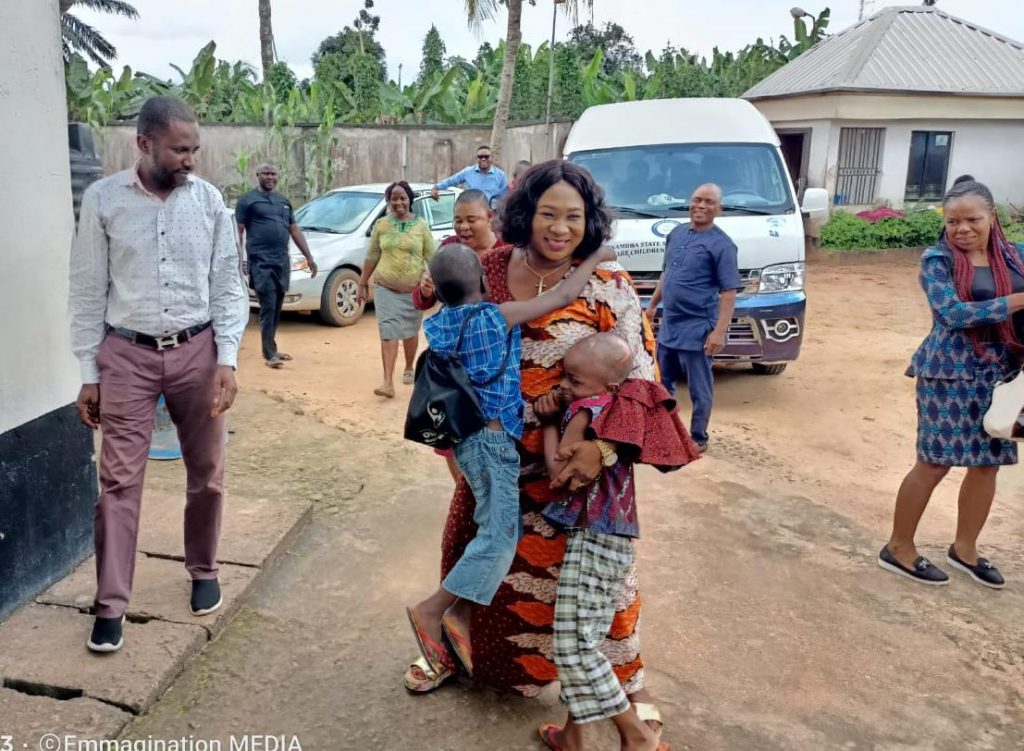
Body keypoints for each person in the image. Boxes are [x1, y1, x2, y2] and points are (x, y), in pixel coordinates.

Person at [403, 160, 668, 744]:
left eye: (574, 217)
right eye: (548, 213)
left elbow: (646, 383)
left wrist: (602, 448)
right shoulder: (490, 270)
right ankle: (457, 656)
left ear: (590, 222)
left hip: (577, 475)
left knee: (594, 598)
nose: (560, 228)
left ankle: (625, 686)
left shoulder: (610, 284)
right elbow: (447, 354)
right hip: (494, 458)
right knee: (484, 564)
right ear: (526, 213)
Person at [69, 95, 248, 653]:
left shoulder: (209, 201)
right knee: (118, 482)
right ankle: (111, 605)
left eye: (193, 149)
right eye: (178, 150)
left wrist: (228, 358)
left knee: (207, 470)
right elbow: (86, 289)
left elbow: (227, 283)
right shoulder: (103, 201)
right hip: (125, 353)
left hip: (197, 350)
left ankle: (203, 568)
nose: (189, 160)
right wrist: (88, 370)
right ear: (143, 144)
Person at [406, 242, 616, 679]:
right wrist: (594, 258)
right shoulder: (493, 316)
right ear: (483, 283)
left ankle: (460, 614)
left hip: (467, 440)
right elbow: (559, 297)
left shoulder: (440, 324)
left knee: (496, 527)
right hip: (493, 443)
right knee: (500, 538)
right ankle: (434, 610)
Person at [533, 333, 694, 751]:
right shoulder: (618, 410)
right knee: (586, 632)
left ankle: (635, 733)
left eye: (575, 380)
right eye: (564, 376)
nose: (565, 386)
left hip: (593, 535)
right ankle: (574, 735)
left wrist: (551, 422)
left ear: (605, 387)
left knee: (574, 645)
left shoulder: (586, 411)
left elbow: (558, 468)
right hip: (615, 536)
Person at [879, 178, 1024, 588]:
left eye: (972, 219)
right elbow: (953, 315)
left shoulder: (1016, 257)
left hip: (1002, 375)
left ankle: (966, 549)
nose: (962, 229)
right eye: (953, 221)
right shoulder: (936, 260)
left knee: (987, 465)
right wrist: (1016, 301)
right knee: (934, 463)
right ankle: (899, 547)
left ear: (993, 218)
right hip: (948, 374)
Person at [412, 189, 510, 482]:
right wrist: (427, 289)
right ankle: (463, 494)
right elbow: (422, 301)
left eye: (471, 220)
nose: (463, 227)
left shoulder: (507, 253)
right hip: (453, 366)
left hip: (495, 365)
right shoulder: (448, 248)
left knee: (495, 433)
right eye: (458, 220)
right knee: (453, 434)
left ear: (489, 217)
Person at [645, 183, 741, 452]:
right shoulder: (676, 234)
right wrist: (652, 305)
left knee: (700, 389)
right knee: (662, 384)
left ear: (719, 209)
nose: (701, 205)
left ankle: (698, 437)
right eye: (697, 200)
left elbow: (729, 292)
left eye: (709, 202)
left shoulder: (722, 246)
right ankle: (664, 431)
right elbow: (667, 273)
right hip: (670, 324)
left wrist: (719, 332)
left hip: (698, 327)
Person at [234, 162, 317, 369]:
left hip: (282, 261)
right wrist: (239, 260)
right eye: (266, 173)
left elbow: (294, 230)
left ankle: (271, 347)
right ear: (257, 175)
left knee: (278, 305)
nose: (270, 177)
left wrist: (309, 257)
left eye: (273, 174)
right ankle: (269, 354)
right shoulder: (247, 201)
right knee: (268, 305)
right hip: (260, 262)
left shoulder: (283, 201)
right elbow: (238, 233)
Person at [356, 181, 435, 398]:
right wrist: (362, 283)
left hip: (413, 291)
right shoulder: (381, 225)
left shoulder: (421, 225)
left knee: (410, 332)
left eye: (402, 198)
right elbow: (372, 255)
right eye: (394, 198)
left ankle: (409, 366)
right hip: (385, 289)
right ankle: (387, 382)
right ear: (388, 201)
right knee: (388, 333)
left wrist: (438, 282)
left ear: (409, 200)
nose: (398, 202)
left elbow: (432, 256)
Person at [430, 144, 509, 206]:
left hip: (491, 215)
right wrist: (435, 188)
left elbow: (506, 196)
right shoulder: (468, 172)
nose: (483, 159)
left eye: (486, 156)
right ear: (476, 158)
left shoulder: (500, 175)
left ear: (492, 158)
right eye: (480, 157)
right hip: (472, 213)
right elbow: (450, 181)